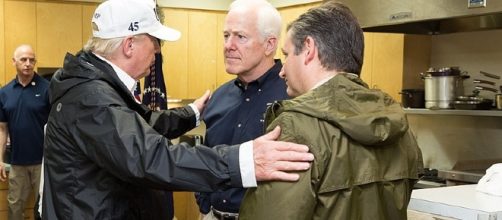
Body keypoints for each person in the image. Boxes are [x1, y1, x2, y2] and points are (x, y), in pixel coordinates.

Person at [41, 0, 313, 219]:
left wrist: (191, 113)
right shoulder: (92, 98)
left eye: (240, 36)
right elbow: (151, 157)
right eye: (155, 41)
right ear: (129, 45)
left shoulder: (96, 86)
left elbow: (141, 123)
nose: (158, 51)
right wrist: (243, 162)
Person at [239, 2, 424, 220]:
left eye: (286, 55)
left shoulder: (296, 128)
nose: (282, 71)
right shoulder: (398, 125)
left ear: (308, 49)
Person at [195, 1, 288, 219]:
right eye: (226, 35)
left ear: (269, 44)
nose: (228, 45)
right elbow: (207, 157)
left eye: (240, 37)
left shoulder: (292, 96)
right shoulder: (218, 97)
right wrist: (204, 204)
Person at [0, 44, 50, 220]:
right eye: (23, 59)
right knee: (15, 208)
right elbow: (2, 129)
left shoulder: (47, 88)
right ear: (14, 62)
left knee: (44, 208)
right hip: (17, 162)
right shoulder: (4, 93)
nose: (28, 63)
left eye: (32, 59)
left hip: (44, 162)